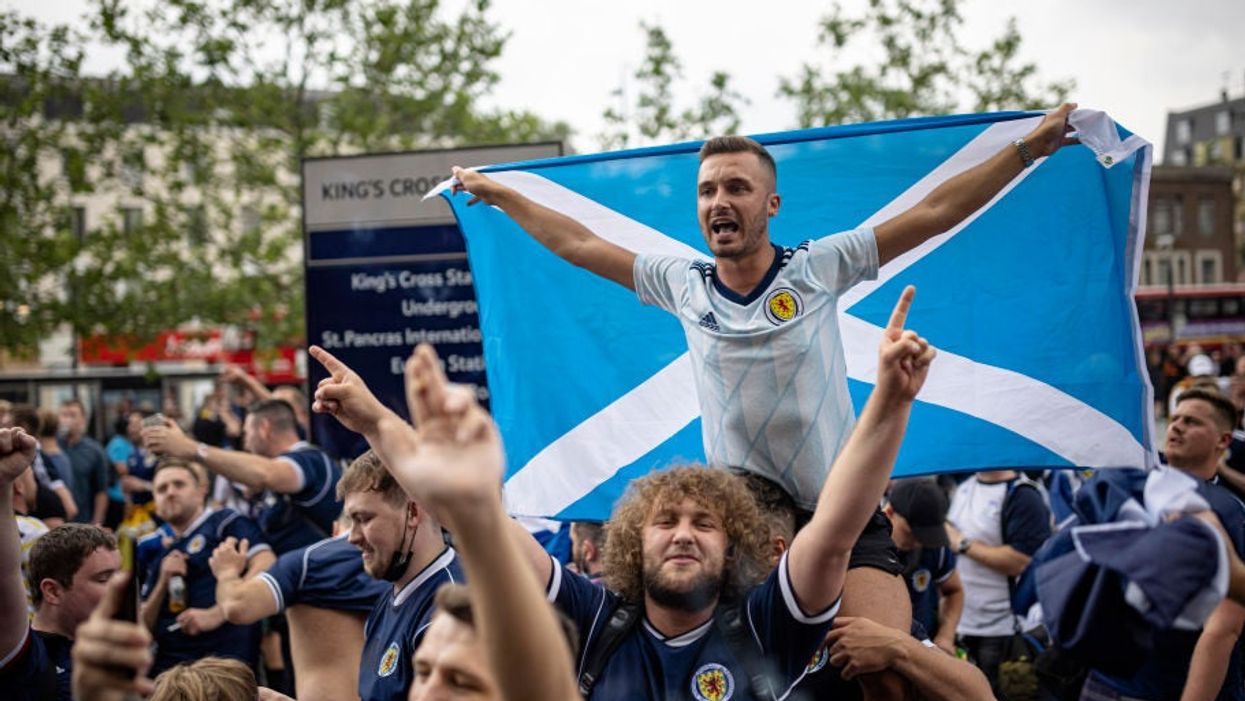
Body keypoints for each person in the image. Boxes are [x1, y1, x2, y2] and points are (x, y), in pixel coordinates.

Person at [450, 107, 1076, 695]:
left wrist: (1027, 149)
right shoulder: (681, 283)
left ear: (771, 204)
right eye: (707, 191)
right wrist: (504, 196)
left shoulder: (820, 266)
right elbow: (580, 246)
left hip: (840, 516)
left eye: (737, 188)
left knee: (885, 676)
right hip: (746, 532)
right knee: (737, 680)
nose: (719, 200)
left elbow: (936, 210)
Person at [312, 283, 935, 701]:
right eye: (665, 521)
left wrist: (890, 401)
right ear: (634, 542)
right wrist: (375, 421)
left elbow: (835, 529)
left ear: (735, 547)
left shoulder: (764, 624)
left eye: (704, 523)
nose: (684, 533)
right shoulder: (594, 621)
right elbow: (476, 523)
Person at [1083, 388, 1245, 701]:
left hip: (1171, 687)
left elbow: (1223, 628)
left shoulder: (1226, 513)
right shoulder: (1131, 490)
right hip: (1106, 680)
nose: (1177, 427)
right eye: (1174, 419)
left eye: (1192, 422)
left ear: (1223, 441)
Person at [209, 503, 390, 701]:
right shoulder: (403, 562)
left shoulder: (307, 562)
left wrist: (226, 572)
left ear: (335, 529)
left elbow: (237, 607)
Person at [0, 428, 120, 700]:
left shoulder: (112, 651)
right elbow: (5, 576)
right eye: (103, 579)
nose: (118, 587)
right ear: (52, 591)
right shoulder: (29, 660)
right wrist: (3, 484)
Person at [336, 448, 463, 701]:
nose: (353, 537)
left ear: (413, 513)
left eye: (364, 519)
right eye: (351, 521)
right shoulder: (391, 597)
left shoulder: (450, 611)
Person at [144, 398, 341, 555]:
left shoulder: (310, 459)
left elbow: (267, 473)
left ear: (264, 428)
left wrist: (191, 448)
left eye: (247, 434)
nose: (246, 443)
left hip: (322, 582)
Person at [136, 457, 275, 675]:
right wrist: (163, 582)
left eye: (179, 484)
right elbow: (142, 626)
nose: (170, 492)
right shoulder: (155, 549)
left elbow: (266, 561)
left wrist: (217, 613)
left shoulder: (223, 523)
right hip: (169, 672)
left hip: (223, 667)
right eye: (161, 489)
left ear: (201, 491)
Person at [945, 466, 1052, 693]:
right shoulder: (965, 487)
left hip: (1003, 630)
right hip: (961, 624)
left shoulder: (1023, 495)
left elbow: (1020, 562)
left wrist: (963, 544)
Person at [885, 477, 963, 654]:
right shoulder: (862, 546)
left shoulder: (935, 545)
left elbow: (954, 591)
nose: (919, 542)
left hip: (925, 648)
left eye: (926, 535)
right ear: (889, 512)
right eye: (911, 533)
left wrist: (946, 635)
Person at [59, 398, 110, 525]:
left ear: (83, 420)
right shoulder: (50, 446)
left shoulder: (94, 450)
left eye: (72, 415)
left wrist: (97, 523)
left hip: (82, 522)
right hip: (54, 522)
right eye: (64, 415)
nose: (67, 420)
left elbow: (101, 491)